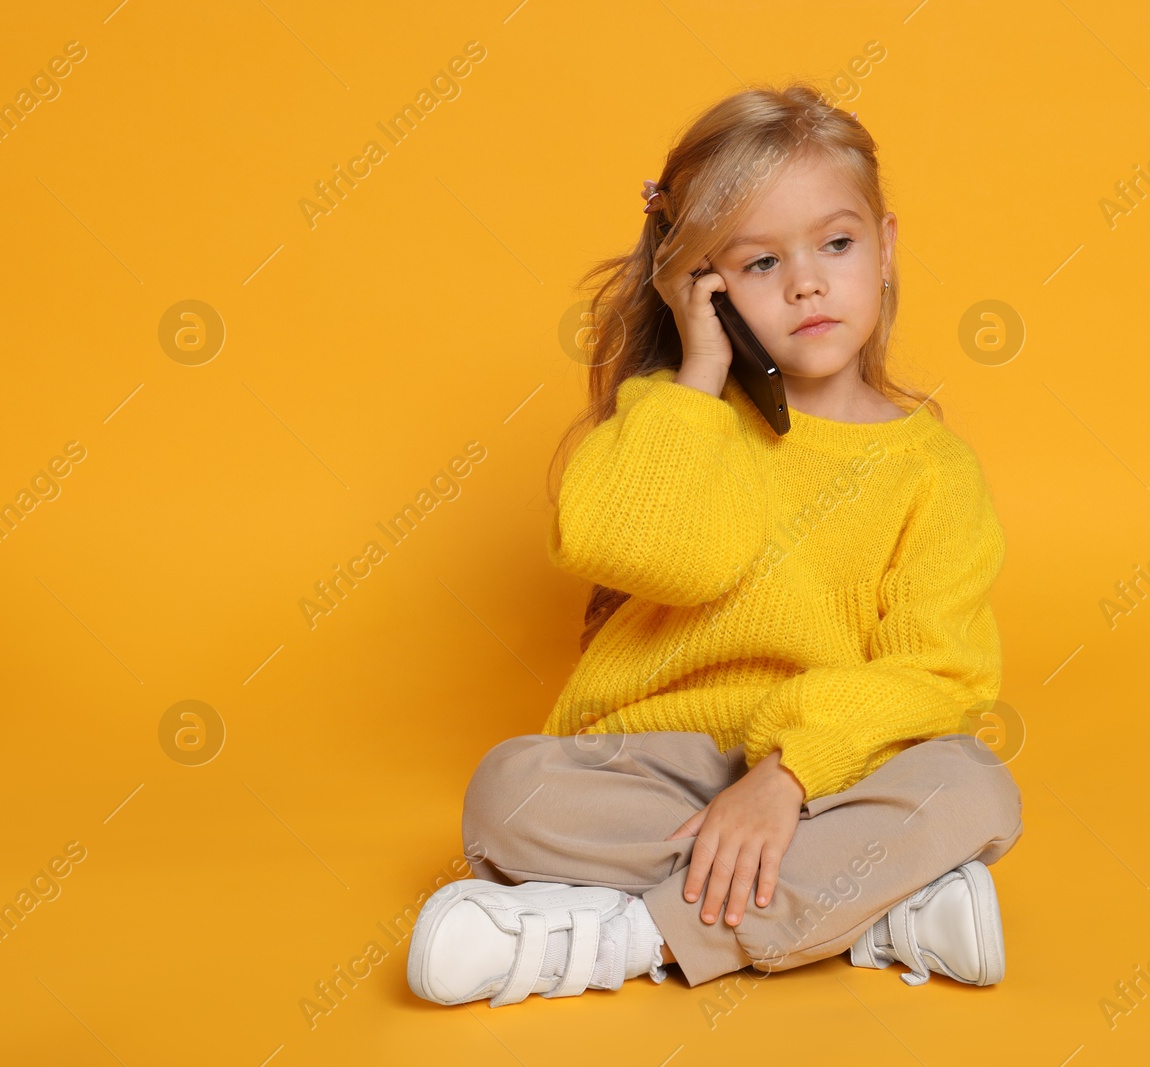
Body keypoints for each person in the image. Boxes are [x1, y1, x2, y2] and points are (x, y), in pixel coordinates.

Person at [406, 81, 1023, 1009]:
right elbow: (646, 551)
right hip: (660, 769)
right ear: (708, 286)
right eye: (762, 261)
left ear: (886, 248)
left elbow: (939, 674)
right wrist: (697, 374)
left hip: (827, 774)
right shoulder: (681, 419)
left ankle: (630, 937)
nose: (809, 281)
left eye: (838, 244)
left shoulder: (933, 470)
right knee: (508, 793)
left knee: (974, 788)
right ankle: (864, 905)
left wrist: (786, 777)